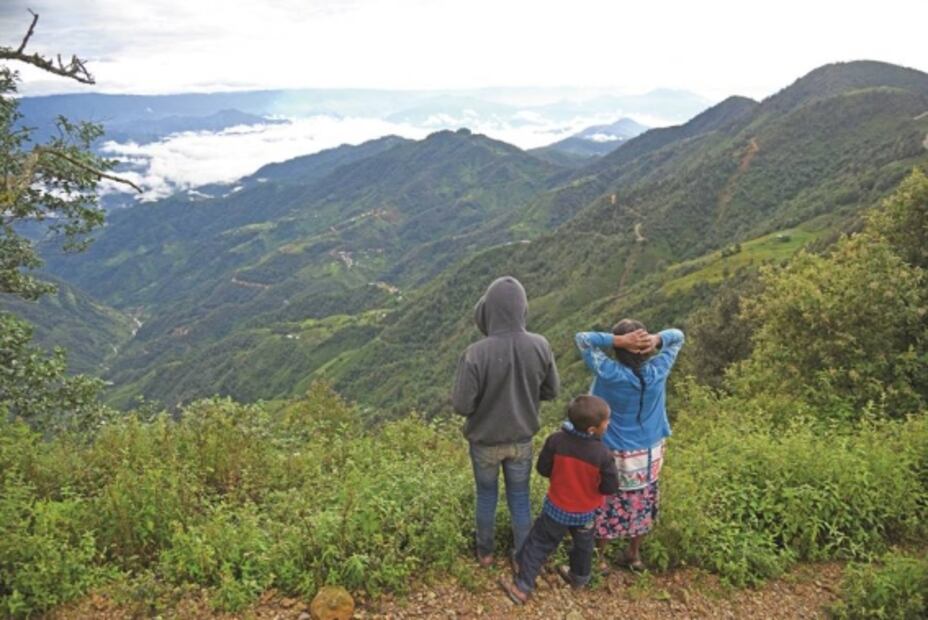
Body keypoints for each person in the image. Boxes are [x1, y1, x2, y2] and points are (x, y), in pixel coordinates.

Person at [452, 276, 560, 567]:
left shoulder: (475, 353)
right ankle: (522, 556)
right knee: (520, 498)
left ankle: (485, 554)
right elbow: (552, 391)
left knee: (486, 496)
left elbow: (462, 405)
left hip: (485, 442)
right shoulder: (540, 345)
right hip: (521, 440)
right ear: (522, 309)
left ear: (489, 310)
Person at [574, 320, 685, 572]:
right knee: (642, 501)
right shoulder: (659, 369)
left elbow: (583, 338)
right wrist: (655, 339)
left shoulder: (609, 373)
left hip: (613, 452)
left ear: (619, 350)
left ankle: (599, 558)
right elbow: (677, 337)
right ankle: (633, 555)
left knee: (606, 502)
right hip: (649, 453)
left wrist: (620, 340)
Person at [498, 395, 618, 604]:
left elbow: (543, 469)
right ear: (592, 429)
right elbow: (610, 487)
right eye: (606, 422)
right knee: (584, 546)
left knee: (539, 543)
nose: (608, 424)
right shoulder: (603, 455)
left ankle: (523, 586)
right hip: (586, 512)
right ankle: (579, 579)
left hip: (557, 509)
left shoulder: (556, 440)